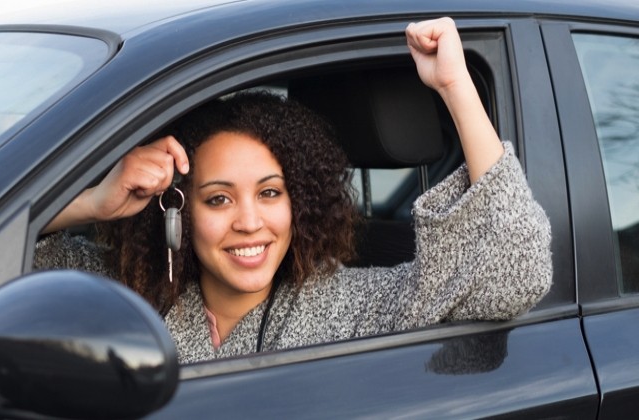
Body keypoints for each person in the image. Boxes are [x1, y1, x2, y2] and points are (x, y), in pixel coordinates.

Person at [34, 17, 553, 363]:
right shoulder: (135, 296)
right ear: (179, 210)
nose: (248, 222)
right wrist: (93, 203)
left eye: (270, 193)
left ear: (298, 204)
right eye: (218, 198)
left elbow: (513, 271)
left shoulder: (350, 306)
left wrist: (455, 88)